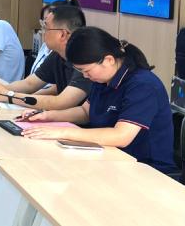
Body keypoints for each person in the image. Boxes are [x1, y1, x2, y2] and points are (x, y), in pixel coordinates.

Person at [22, 27, 178, 174]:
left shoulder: (143, 85)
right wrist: (48, 116)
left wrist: (63, 132)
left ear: (108, 60)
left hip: (146, 169)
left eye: (86, 70)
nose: (85, 76)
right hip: (109, 159)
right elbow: (85, 112)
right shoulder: (103, 79)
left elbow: (121, 136)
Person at [0, 5, 91, 110]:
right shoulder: (57, 55)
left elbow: (61, 102)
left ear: (62, 34)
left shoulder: (85, 59)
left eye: (46, 28)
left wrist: (8, 95)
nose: (42, 32)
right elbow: (30, 84)